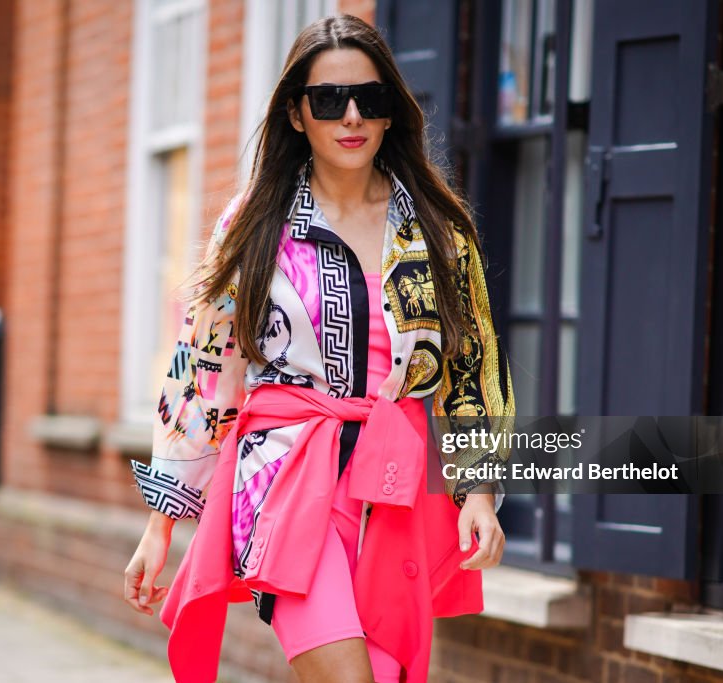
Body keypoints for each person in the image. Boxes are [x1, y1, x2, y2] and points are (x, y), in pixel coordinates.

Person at [123, 14, 515, 683]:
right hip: (284, 482)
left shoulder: (438, 231)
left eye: (371, 98)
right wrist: (161, 524)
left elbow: (471, 367)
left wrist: (477, 489)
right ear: (298, 114)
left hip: (396, 486)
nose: (352, 115)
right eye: (329, 100)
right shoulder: (254, 223)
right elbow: (203, 369)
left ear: (393, 112)